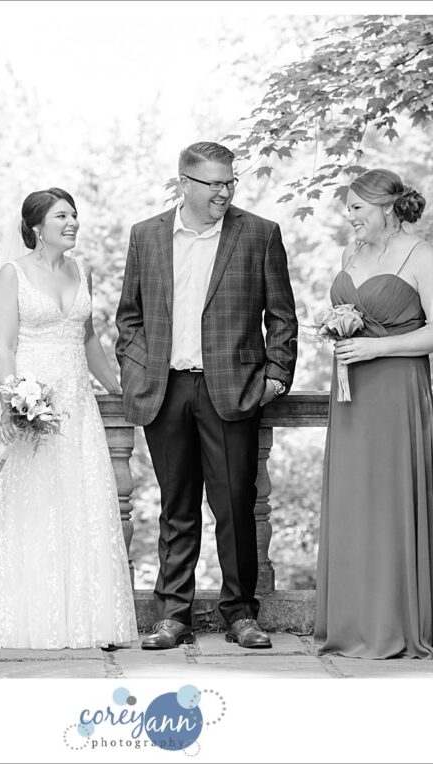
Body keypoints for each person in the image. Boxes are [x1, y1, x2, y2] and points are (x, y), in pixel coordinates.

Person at [116, 141, 298, 650]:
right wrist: (135, 372)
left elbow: (282, 316)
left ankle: (241, 615)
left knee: (236, 507)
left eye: (229, 182)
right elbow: (129, 316)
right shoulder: (146, 235)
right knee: (177, 508)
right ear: (185, 183)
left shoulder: (259, 234)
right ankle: (173, 616)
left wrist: (276, 377)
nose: (223, 191)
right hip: (164, 389)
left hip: (233, 391)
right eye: (213, 183)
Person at [0, 188, 137, 650]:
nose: (73, 222)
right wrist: (11, 403)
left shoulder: (80, 272)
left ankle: (85, 620)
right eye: (62, 215)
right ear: (37, 225)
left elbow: (88, 342)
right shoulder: (12, 275)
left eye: (75, 215)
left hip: (78, 408)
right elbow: (3, 346)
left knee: (82, 506)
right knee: (33, 509)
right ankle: (27, 623)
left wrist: (122, 388)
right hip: (32, 406)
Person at [313, 168, 433, 659]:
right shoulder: (349, 255)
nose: (348, 216)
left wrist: (378, 350)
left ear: (386, 208)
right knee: (354, 500)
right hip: (350, 394)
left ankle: (394, 624)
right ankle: (352, 623)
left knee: (390, 500)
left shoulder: (425, 257)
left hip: (396, 391)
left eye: (356, 207)